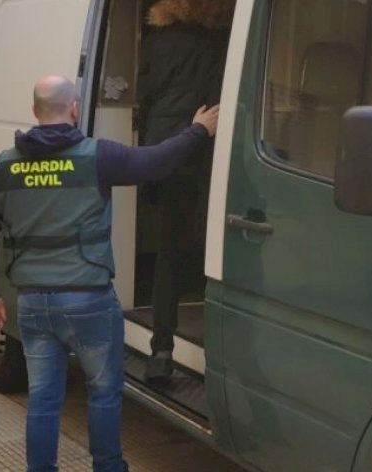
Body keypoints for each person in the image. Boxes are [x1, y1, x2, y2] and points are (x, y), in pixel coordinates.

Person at [0, 75, 219, 472]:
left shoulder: (4, 165)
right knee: (103, 392)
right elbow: (156, 162)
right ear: (74, 109)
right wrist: (198, 130)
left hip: (33, 302)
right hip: (89, 301)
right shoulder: (97, 156)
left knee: (43, 399)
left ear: (34, 112)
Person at [137, 0, 235, 384]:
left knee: (169, 254)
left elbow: (145, 95)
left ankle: (161, 352)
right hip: (207, 155)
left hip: (165, 155)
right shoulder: (222, 43)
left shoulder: (157, 40)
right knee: (217, 254)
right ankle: (219, 356)